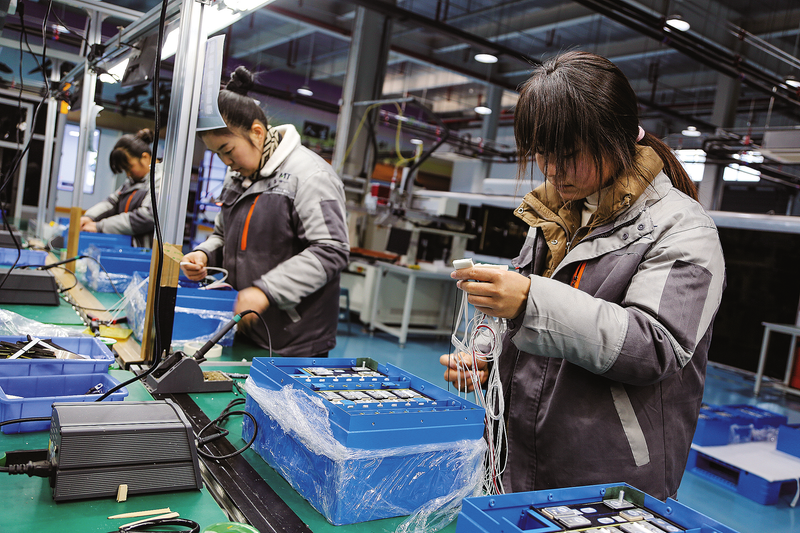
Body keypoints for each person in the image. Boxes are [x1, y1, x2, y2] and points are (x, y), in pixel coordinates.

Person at [440, 51, 725, 500]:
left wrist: (531, 301)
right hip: (518, 456)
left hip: (605, 475)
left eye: (568, 155)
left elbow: (656, 347)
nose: (552, 170)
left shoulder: (684, 230)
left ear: (616, 139)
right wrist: (490, 361)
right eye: (541, 153)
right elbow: (545, 332)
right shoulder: (556, 214)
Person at [180, 66, 349, 357]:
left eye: (227, 150)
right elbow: (223, 235)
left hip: (294, 342)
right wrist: (204, 254)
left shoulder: (310, 176)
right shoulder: (237, 176)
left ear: (257, 133)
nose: (225, 162)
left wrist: (265, 290)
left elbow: (331, 249)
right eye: (217, 154)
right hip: (244, 326)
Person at [80, 128, 162, 248]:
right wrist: (89, 217)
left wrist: (100, 226)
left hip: (146, 253)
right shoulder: (132, 182)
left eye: (129, 168)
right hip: (127, 247)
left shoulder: (161, 179)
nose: (128, 174)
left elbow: (148, 215)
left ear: (145, 158)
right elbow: (112, 202)